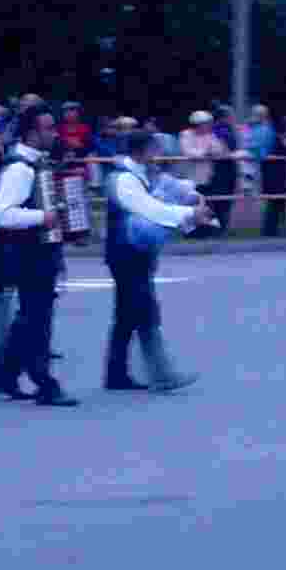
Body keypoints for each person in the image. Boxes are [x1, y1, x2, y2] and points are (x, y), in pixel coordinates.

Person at [104, 127, 210, 392]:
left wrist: (192, 196)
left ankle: (115, 375)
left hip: (136, 251)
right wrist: (189, 214)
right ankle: (162, 375)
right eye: (154, 148)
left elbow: (171, 187)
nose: (158, 153)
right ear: (141, 151)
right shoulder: (124, 179)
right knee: (146, 311)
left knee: (127, 315)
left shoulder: (145, 173)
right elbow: (152, 210)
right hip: (125, 253)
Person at [0, 103, 76, 405]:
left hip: (40, 249)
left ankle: (5, 375)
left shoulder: (40, 165)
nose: (54, 133)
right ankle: (44, 383)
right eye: (48, 128)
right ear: (32, 133)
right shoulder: (20, 169)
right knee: (38, 319)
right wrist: (43, 217)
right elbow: (2, 214)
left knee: (30, 316)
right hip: (26, 252)